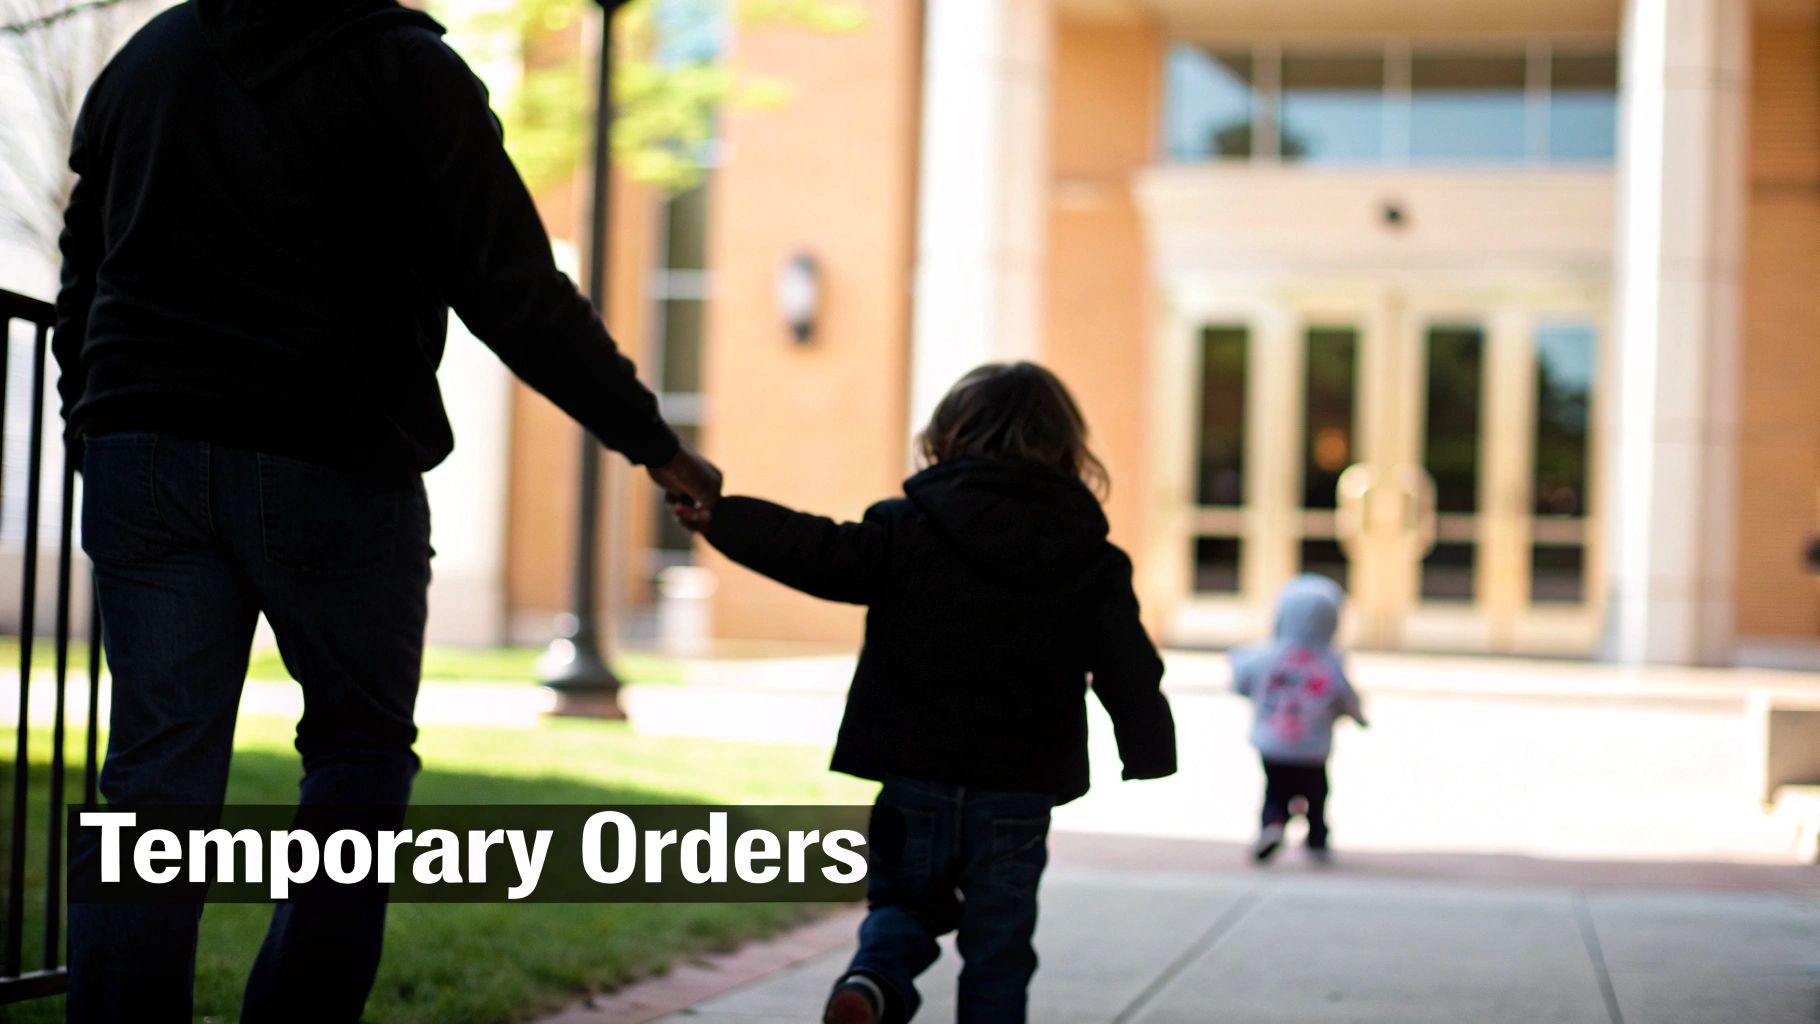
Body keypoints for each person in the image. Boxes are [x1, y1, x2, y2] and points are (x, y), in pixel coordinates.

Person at [54, 1, 720, 1019]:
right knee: (356, 756)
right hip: (329, 456)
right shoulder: (405, 73)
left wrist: (87, 430)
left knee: (152, 782)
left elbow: (84, 274)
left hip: (142, 452)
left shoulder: (147, 62)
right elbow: (513, 291)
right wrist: (656, 443)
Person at [670, 362, 1177, 1024]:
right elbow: (1128, 668)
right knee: (999, 947)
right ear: (1065, 448)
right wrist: (1147, 749)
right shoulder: (1091, 559)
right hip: (1018, 791)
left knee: (903, 906)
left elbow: (817, 551)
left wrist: (724, 520)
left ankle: (875, 982)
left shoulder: (907, 529)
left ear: (948, 436)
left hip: (916, 775)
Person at [1230, 574, 1368, 863]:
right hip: (1313, 748)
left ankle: (1273, 823)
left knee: (1275, 790)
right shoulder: (1330, 662)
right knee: (1317, 793)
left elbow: (1240, 680)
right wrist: (1357, 716)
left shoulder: (1265, 655)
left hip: (1272, 744)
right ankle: (1316, 837)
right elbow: (1346, 697)